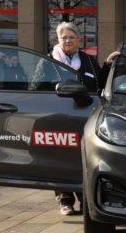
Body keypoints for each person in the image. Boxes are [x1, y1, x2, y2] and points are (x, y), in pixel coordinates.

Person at [41, 22, 112, 216]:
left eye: (72, 37)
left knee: (84, 156)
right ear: (58, 39)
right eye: (64, 37)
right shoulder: (48, 61)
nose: (68, 40)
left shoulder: (88, 60)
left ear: (79, 39)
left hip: (85, 115)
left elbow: (100, 82)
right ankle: (65, 199)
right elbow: (37, 86)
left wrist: (107, 64)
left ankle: (84, 196)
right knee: (60, 156)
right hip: (59, 116)